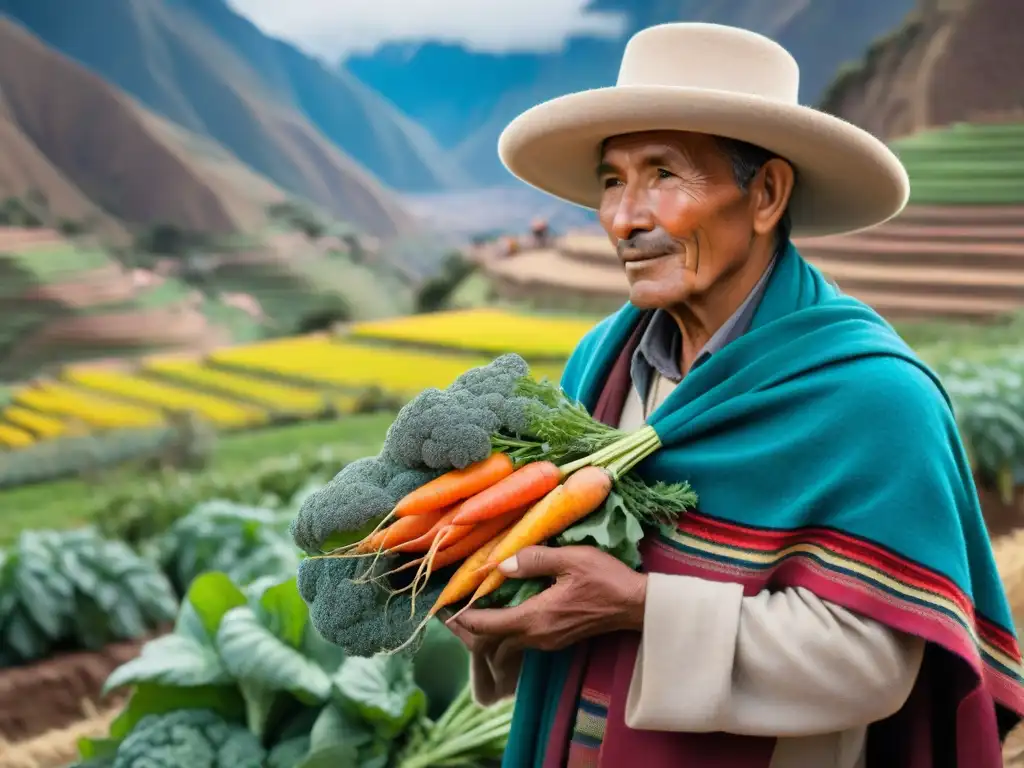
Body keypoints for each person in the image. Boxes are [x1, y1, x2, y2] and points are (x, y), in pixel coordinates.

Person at [444, 22, 1024, 768]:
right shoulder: (600, 363)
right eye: (613, 180)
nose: (624, 219)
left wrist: (639, 607)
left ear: (766, 195)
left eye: (663, 176)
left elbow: (874, 664)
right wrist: (495, 594)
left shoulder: (875, 398)